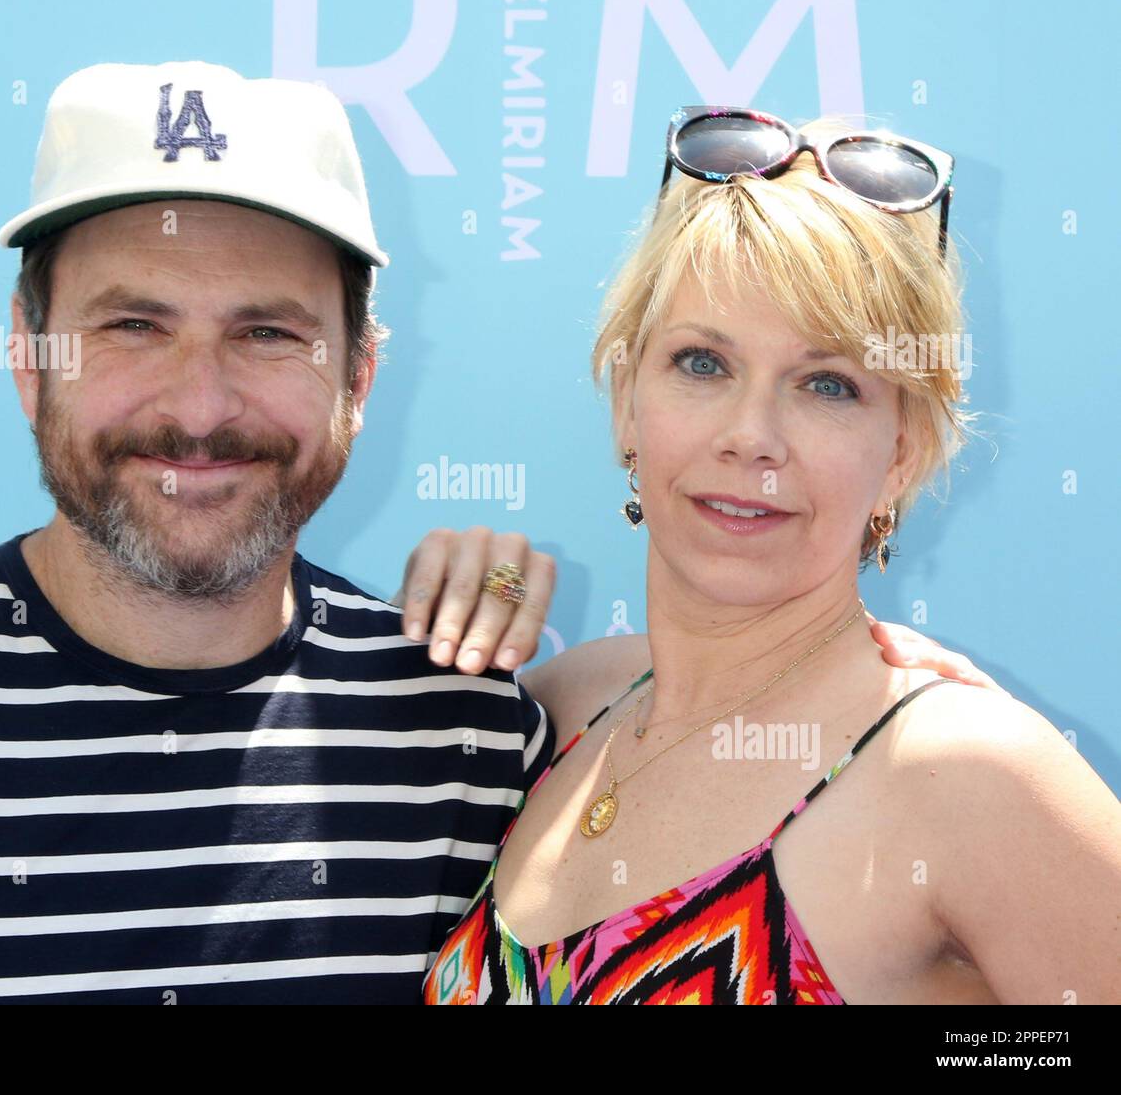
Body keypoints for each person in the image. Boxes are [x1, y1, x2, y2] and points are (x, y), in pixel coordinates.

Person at [0, 69, 982, 1005]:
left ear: (359, 376)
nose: (201, 402)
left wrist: (889, 700)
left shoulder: (470, 730)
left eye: (268, 333)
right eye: (133, 324)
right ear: (29, 362)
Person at [421, 107, 1121, 1005]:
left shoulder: (967, 773)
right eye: (703, 364)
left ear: (901, 452)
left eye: (827, 385)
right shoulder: (566, 706)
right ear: (627, 398)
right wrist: (476, 573)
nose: (752, 437)